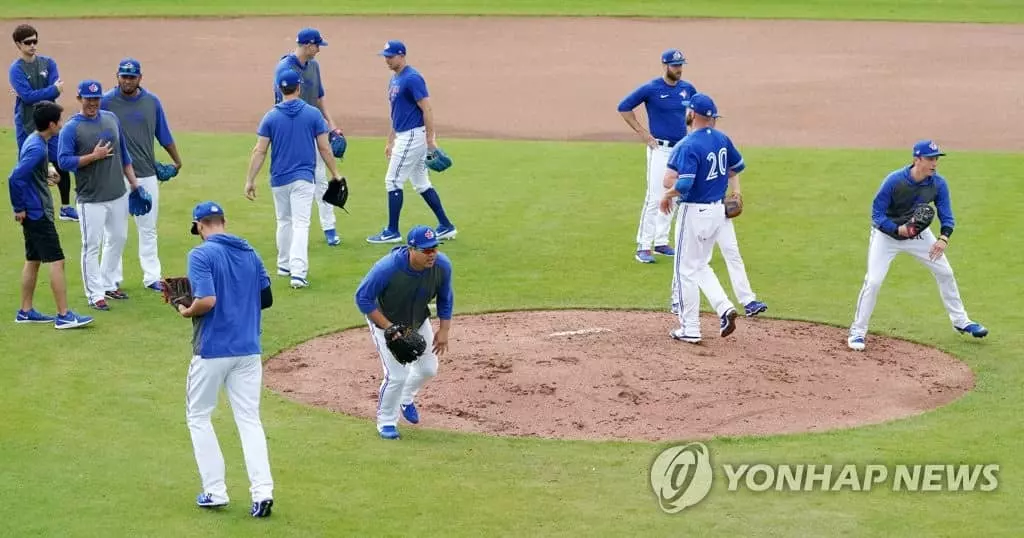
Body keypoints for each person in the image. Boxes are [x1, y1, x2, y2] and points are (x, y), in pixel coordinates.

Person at [177, 201, 275, 518]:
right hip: (249, 349)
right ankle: (263, 493)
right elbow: (266, 298)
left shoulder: (201, 254)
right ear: (223, 221)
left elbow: (206, 300)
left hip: (212, 350)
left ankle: (215, 491)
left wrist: (187, 309)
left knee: (199, 416)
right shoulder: (250, 252)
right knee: (249, 420)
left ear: (200, 226)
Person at [847, 140, 988, 351]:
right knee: (874, 281)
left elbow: (947, 216)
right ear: (917, 159)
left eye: (937, 159)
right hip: (886, 236)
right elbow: (876, 214)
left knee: (946, 273)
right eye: (930, 159)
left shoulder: (938, 184)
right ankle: (857, 332)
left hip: (918, 235)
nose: (935, 163)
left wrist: (943, 238)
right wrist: (897, 230)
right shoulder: (894, 181)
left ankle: (961, 321)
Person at [245, 69, 344, 289]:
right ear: (298, 88)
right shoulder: (312, 114)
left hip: (278, 179)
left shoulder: (270, 116)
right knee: (301, 224)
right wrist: (335, 173)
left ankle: (283, 264)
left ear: (280, 90)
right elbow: (325, 147)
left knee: (283, 221)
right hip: (303, 178)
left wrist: (250, 180)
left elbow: (259, 151)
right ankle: (298, 272)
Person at [354, 225, 454, 440]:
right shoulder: (387, 268)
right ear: (412, 249)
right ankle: (386, 422)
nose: (432, 254)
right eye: (426, 250)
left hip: (416, 319)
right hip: (384, 320)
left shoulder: (442, 266)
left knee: (428, 368)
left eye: (435, 248)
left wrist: (444, 329)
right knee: (396, 376)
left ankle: (405, 398)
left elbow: (446, 298)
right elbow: (362, 297)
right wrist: (389, 327)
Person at [659, 93, 744, 344]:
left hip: (694, 213)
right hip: (718, 213)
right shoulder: (722, 139)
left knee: (685, 271)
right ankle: (724, 307)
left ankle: (691, 328)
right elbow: (736, 167)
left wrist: (667, 195)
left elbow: (684, 184)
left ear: (692, 114)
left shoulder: (688, 144)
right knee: (699, 265)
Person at [57, 79, 142, 311]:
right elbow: (63, 162)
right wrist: (93, 156)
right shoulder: (71, 128)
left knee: (118, 239)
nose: (93, 103)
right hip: (90, 198)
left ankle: (107, 283)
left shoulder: (111, 119)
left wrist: (134, 184)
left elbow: (124, 154)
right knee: (91, 245)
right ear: (79, 99)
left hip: (117, 193)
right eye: (88, 98)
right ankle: (94, 294)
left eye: (96, 99)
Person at [8, 100, 93, 329]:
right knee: (57, 261)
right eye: (59, 121)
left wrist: (47, 175)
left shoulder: (34, 140)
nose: (61, 124)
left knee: (33, 259)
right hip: (37, 214)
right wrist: (19, 208)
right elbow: (15, 177)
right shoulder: (37, 147)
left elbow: (29, 174)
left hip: (33, 211)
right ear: (52, 124)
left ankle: (25, 311)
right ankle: (64, 315)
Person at [101, 57, 183, 292]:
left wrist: (177, 160)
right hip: (115, 175)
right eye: (124, 76)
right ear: (117, 76)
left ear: (140, 78)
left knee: (148, 228)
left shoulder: (151, 102)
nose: (127, 80)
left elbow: (164, 135)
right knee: (116, 231)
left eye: (132, 76)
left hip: (146, 174)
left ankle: (152, 276)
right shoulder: (105, 102)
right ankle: (112, 280)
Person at [366, 40, 457, 245]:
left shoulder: (412, 78)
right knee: (421, 183)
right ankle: (446, 226)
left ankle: (392, 231)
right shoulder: (394, 79)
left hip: (413, 136)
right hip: (404, 135)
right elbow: (396, 114)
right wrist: (390, 140)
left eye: (390, 56)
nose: (387, 60)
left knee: (393, 181)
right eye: (385, 57)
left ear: (402, 55)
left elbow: (427, 109)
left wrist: (430, 140)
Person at [617, 48, 695, 264]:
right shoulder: (652, 89)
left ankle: (661, 241)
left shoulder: (687, 89)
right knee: (653, 197)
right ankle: (643, 245)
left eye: (680, 65)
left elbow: (693, 114)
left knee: (673, 193)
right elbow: (624, 107)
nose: (679, 69)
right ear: (665, 65)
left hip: (680, 148)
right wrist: (643, 133)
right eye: (675, 65)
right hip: (659, 149)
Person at [274, 27, 344, 247]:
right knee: (294, 181)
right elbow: (281, 104)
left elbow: (319, 98)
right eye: (317, 45)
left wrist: (332, 127)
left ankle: (329, 227)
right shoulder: (284, 69)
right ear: (306, 45)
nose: (319, 50)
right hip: (292, 133)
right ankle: (294, 230)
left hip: (314, 128)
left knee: (320, 178)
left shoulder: (314, 66)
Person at [8, 23, 77, 222]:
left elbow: (36, 95)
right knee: (30, 167)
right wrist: (52, 91)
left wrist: (41, 94)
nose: (33, 46)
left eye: (35, 41)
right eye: (28, 42)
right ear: (18, 44)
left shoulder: (48, 63)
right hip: (27, 126)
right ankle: (29, 207)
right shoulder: (16, 70)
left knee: (61, 162)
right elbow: (31, 97)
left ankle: (65, 208)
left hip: (51, 125)